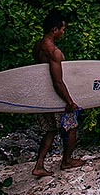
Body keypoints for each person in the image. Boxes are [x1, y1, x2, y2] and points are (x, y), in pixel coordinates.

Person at [32, 10, 84, 176]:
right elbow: (58, 82)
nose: (63, 32)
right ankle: (67, 161)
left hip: (43, 96)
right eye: (62, 29)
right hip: (56, 97)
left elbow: (40, 74)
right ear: (54, 29)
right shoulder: (54, 52)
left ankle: (39, 165)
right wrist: (69, 102)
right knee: (71, 127)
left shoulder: (38, 46)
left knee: (50, 130)